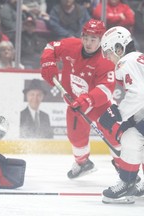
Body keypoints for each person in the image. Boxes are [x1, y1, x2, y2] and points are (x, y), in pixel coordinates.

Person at [40, 19, 121, 179]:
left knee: (115, 136)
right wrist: (48, 62)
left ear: (101, 40)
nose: (88, 43)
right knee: (75, 136)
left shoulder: (106, 59)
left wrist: (86, 101)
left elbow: (105, 89)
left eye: (93, 39)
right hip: (75, 105)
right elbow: (51, 47)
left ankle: (125, 168)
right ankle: (83, 163)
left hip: (100, 106)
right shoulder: (71, 45)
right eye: (86, 38)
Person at [99, 26, 144, 204]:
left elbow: (139, 94)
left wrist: (119, 114)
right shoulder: (138, 58)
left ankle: (127, 182)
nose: (107, 57)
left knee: (131, 138)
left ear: (119, 48)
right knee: (134, 135)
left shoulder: (125, 62)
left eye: (108, 52)